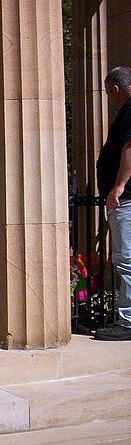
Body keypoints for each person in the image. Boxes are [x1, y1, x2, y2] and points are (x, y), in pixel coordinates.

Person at [95, 66, 131, 340]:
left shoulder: (129, 109)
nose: (109, 99)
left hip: (126, 199)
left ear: (116, 89)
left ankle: (127, 320)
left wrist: (118, 187)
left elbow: (130, 148)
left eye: (108, 93)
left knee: (126, 259)